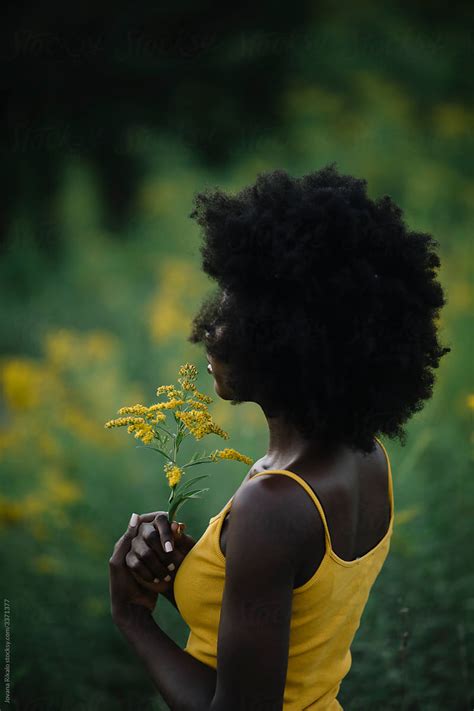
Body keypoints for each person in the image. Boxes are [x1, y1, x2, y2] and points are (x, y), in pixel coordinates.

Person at [108, 164, 451, 709]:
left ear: (288, 341)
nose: (209, 329)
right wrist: (186, 574)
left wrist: (132, 618)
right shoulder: (363, 457)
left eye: (235, 314)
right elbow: (289, 609)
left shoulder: (274, 504)